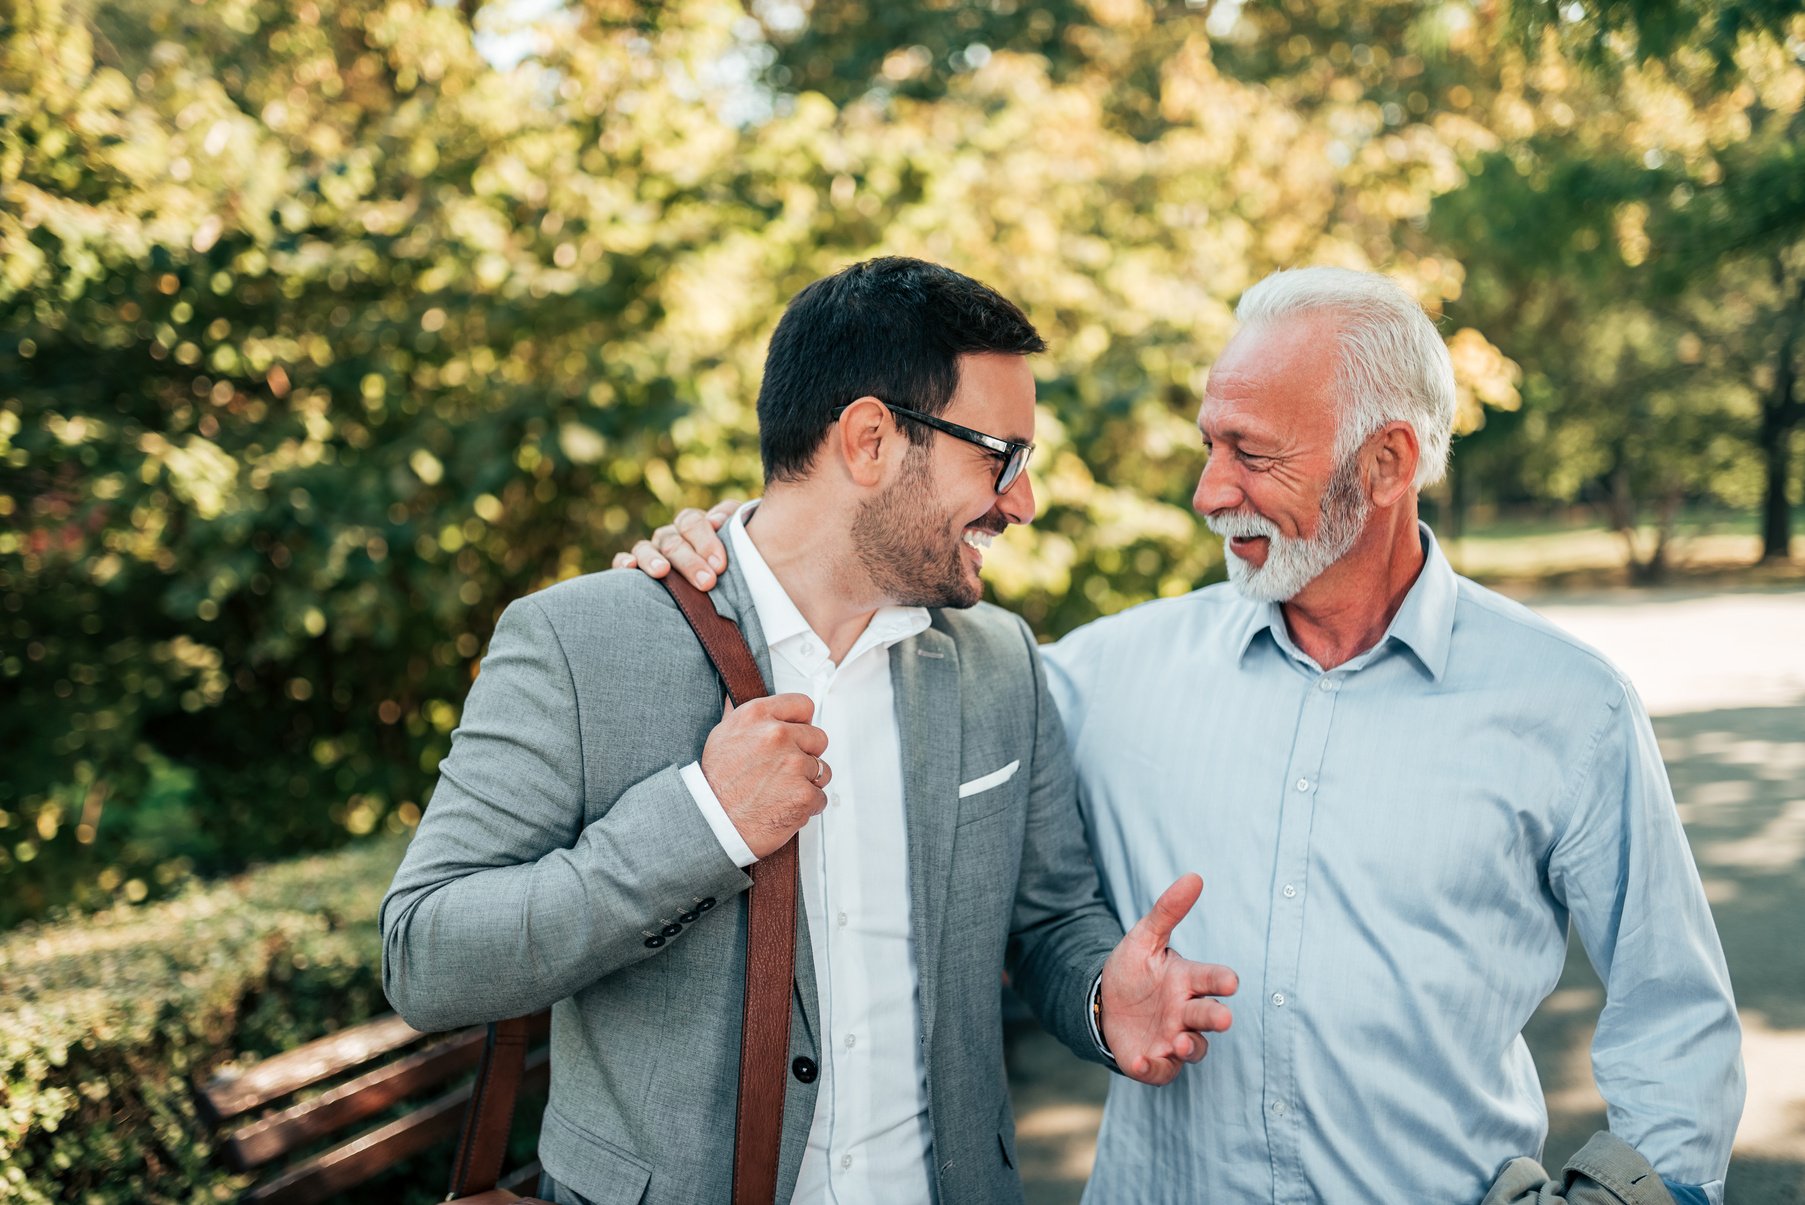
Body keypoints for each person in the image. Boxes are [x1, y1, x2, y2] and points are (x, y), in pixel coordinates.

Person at [623, 266, 1745, 1203]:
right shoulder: (1096, 675)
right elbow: (861, 673)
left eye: (1253, 454)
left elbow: (1676, 1015)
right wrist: (733, 548)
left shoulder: (1565, 706)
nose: (1209, 492)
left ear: (1386, 462)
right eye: (1210, 443)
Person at [380, 256, 1239, 1205]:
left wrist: (1097, 996)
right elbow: (426, 955)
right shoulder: (582, 643)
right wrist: (701, 822)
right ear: (869, 439)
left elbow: (1047, 917)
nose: (1021, 501)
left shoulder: (999, 662)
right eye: (1001, 456)